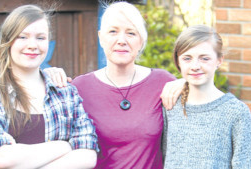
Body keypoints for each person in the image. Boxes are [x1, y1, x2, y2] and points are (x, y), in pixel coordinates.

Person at [45, 1, 180, 168]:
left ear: (141, 40)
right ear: (101, 37)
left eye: (131, 33)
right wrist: (44, 77)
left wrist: (187, 84)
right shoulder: (79, 88)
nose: (121, 40)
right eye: (113, 32)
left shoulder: (162, 82)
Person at [0, 5, 99, 169]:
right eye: (23, 37)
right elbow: (1, 158)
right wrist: (64, 146)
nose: (32, 45)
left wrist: (21, 156)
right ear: (8, 41)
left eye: (40, 38)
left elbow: (88, 155)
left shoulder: (65, 92)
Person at [162, 25, 251, 168]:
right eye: (187, 58)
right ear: (178, 62)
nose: (195, 66)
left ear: (219, 60)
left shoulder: (236, 112)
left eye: (204, 58)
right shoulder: (170, 105)